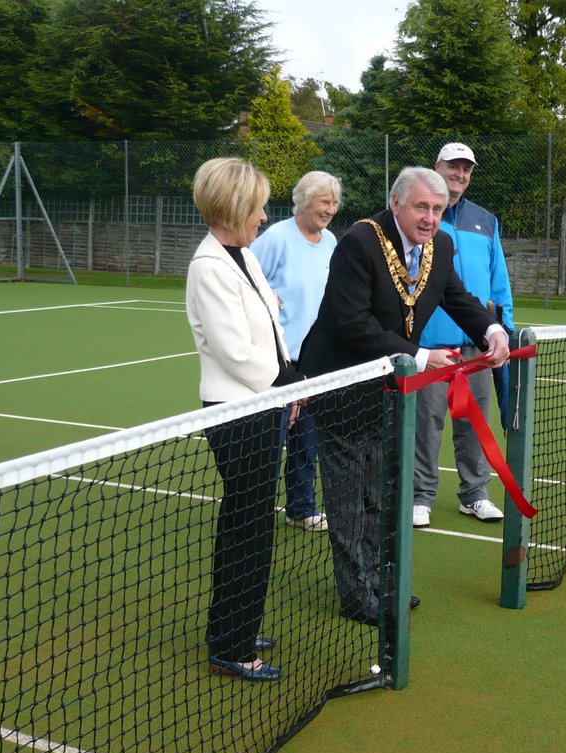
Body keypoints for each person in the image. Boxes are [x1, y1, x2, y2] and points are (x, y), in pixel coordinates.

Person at [299, 167, 510, 624]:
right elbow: (351, 323)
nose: (430, 217)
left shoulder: (441, 244)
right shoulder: (359, 242)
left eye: (436, 209)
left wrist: (492, 329)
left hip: (387, 385)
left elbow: (456, 296)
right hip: (340, 383)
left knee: (381, 489)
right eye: (421, 207)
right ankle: (359, 596)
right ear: (396, 203)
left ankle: (381, 584)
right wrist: (420, 354)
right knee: (351, 494)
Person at [186, 157, 303, 681]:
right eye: (257, 205)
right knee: (248, 525)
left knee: (250, 520)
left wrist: (294, 381)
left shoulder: (244, 256)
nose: (263, 215)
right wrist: (284, 388)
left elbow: (273, 333)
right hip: (237, 413)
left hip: (264, 404)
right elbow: (235, 351)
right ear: (236, 206)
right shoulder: (209, 266)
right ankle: (232, 647)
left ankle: (232, 625)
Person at [412, 143, 514, 529]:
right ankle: (420, 497)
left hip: (477, 348)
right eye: (452, 167)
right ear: (436, 167)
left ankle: (474, 495)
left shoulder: (486, 221)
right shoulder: (422, 217)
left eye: (465, 169)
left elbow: (498, 281)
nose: (459, 174)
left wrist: (503, 329)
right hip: (432, 348)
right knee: (426, 426)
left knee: (476, 425)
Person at [251, 171, 342, 533]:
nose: (331, 209)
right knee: (271, 438)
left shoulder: (332, 240)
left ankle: (301, 507)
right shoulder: (275, 238)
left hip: (316, 356)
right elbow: (252, 286)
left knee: (307, 437)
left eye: (334, 203)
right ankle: (256, 508)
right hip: (279, 360)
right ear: (304, 201)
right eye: (324, 202)